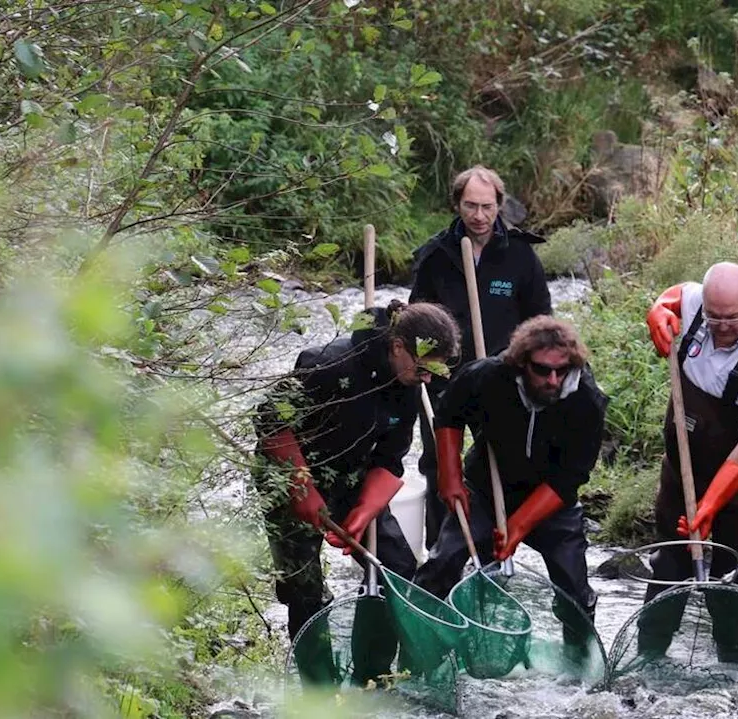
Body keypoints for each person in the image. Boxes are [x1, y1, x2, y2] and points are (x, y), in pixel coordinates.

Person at [251, 300, 461, 687]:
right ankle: (321, 690)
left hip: (354, 479)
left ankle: (373, 676)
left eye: (436, 372)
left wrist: (365, 511)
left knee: (395, 567)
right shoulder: (327, 364)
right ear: (398, 346)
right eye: (424, 368)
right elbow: (269, 422)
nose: (429, 379)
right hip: (290, 474)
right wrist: (304, 490)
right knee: (305, 590)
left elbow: (391, 458)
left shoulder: (410, 386)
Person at [413, 316, 607, 655]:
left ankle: (579, 664)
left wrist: (518, 525)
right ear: (521, 363)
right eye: (542, 370)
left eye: (560, 371)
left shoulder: (585, 400)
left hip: (550, 499)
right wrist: (450, 475)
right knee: (443, 562)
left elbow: (570, 477)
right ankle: (420, 651)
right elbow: (449, 414)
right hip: (487, 484)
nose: (552, 380)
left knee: (574, 587)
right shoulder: (489, 376)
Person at [635, 262, 738, 663]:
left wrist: (708, 507)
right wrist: (658, 308)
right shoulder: (697, 305)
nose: (722, 325)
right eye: (713, 316)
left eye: (732, 317)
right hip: (682, 471)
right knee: (668, 566)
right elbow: (677, 291)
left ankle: (732, 668)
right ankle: (646, 659)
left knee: (731, 577)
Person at [409, 165, 553, 548]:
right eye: (470, 206)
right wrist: (422, 363)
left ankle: (497, 545)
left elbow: (541, 320)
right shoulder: (436, 256)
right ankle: (443, 550)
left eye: (487, 207)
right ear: (457, 204)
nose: (479, 216)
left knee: (501, 462)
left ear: (500, 206)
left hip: (501, 381)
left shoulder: (520, 256)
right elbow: (417, 319)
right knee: (441, 465)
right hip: (445, 380)